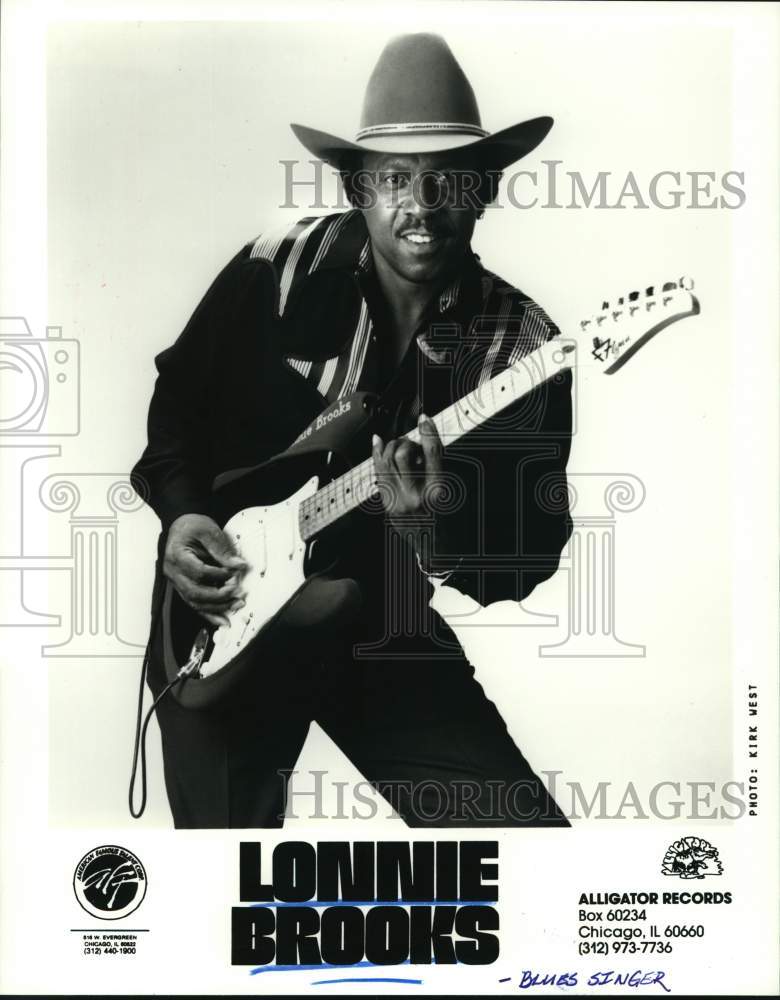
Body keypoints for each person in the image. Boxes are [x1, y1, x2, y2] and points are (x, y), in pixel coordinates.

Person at [131, 33, 573, 828]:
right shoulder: (280, 263)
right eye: (396, 180)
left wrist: (433, 530)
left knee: (522, 841)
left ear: (486, 188)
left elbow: (528, 552)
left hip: (381, 618)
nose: (422, 207)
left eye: (448, 181)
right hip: (227, 606)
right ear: (355, 187)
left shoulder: (524, 350)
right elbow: (180, 397)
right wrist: (183, 512)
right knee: (221, 882)